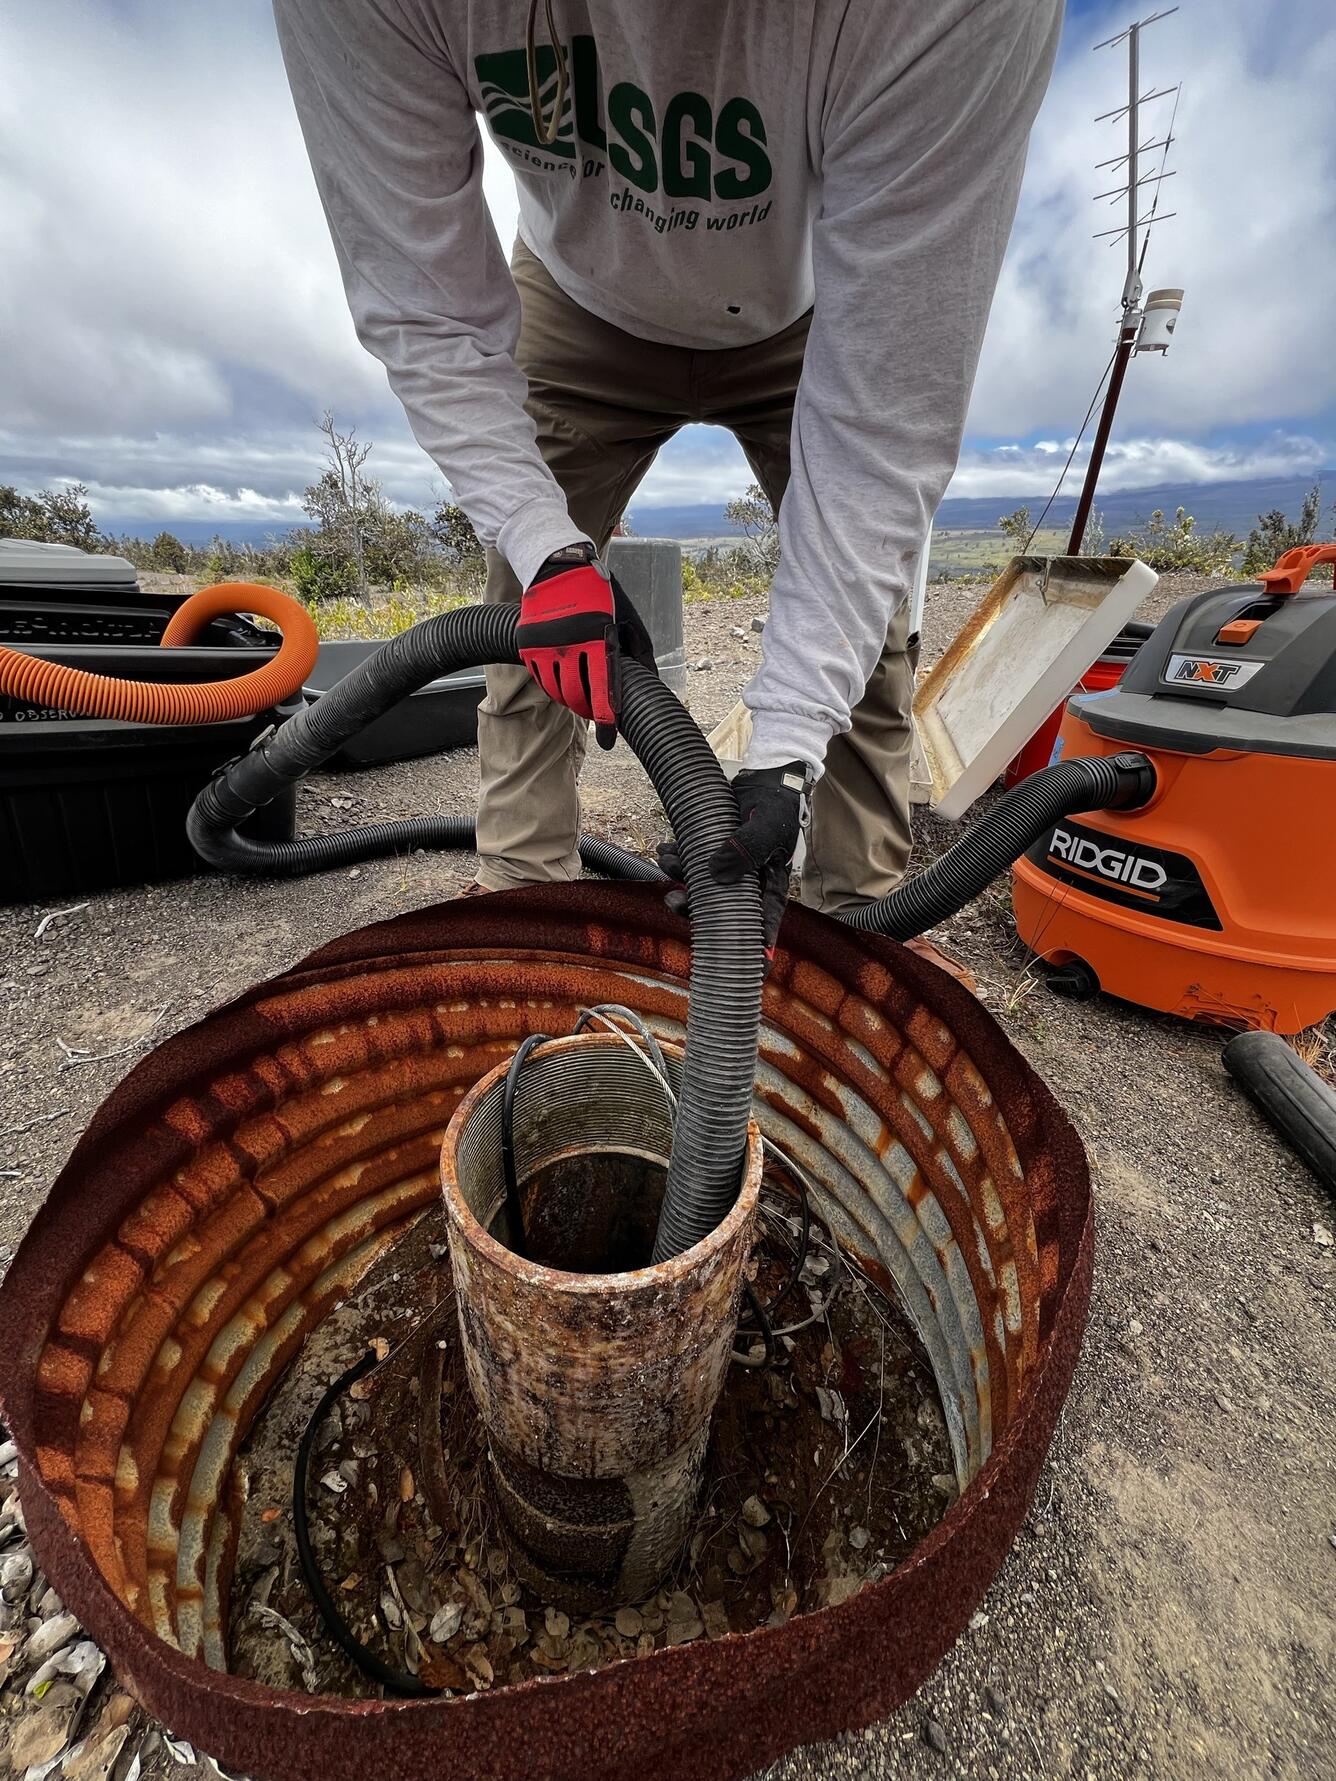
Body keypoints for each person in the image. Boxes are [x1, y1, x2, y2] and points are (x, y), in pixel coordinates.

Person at [273, 0, 1062, 936]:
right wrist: (548, 553)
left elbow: (886, 419)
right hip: (576, 297)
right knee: (534, 637)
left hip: (808, 313)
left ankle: (854, 943)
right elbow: (426, 309)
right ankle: (532, 928)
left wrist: (786, 744)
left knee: (866, 652)